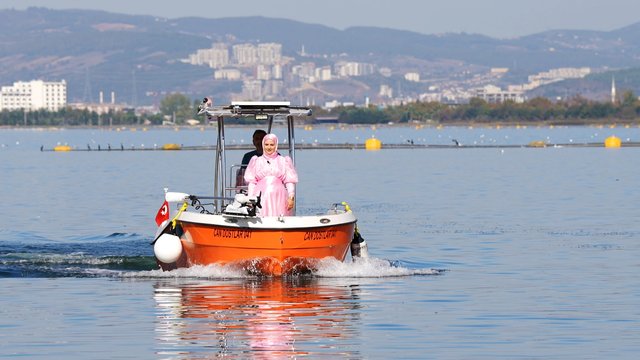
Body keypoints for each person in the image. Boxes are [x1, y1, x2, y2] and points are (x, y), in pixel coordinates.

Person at [244, 133, 298, 217]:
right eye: (266, 144)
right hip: (261, 196)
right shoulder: (256, 161)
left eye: (272, 145)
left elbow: (289, 181)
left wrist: (291, 197)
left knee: (280, 217)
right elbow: (252, 183)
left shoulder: (283, 160)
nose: (269, 147)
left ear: (276, 145)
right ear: (263, 145)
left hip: (279, 196)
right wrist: (250, 198)